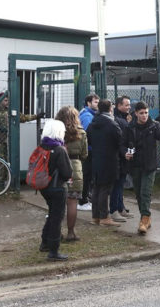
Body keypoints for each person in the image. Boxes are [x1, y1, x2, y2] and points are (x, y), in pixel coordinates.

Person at [125, 101, 160, 234]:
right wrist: (125, 152)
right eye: (141, 113)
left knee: (145, 192)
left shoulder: (154, 126)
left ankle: (144, 219)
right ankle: (145, 217)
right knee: (139, 193)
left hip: (150, 165)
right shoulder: (130, 127)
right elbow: (122, 143)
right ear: (136, 114)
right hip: (135, 165)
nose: (144, 115)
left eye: (146, 112)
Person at [37, 119, 72, 261]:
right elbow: (67, 173)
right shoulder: (59, 150)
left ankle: (45, 242)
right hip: (58, 188)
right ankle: (53, 251)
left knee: (51, 214)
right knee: (57, 218)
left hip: (44, 187)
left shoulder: (42, 147)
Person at [87, 99, 123, 227]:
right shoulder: (112, 124)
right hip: (109, 160)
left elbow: (88, 140)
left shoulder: (92, 124)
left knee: (97, 188)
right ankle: (104, 217)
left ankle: (95, 216)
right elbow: (120, 141)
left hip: (96, 159)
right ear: (110, 109)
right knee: (105, 189)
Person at [55, 106, 87, 242]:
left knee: (57, 203)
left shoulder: (56, 131)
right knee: (72, 202)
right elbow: (85, 154)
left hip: (58, 168)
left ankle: (56, 232)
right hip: (75, 167)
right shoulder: (82, 133)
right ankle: (71, 232)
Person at [0, 92, 39, 161]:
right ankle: (0, 172)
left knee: (8, 159)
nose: (7, 102)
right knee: (0, 159)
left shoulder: (9, 110)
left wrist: (36, 116)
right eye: (5, 100)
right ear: (0, 100)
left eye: (8, 100)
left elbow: (22, 117)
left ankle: (7, 172)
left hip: (8, 139)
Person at [110, 95, 134, 222]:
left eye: (129, 105)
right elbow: (121, 139)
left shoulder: (125, 119)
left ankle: (121, 208)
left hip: (123, 157)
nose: (129, 107)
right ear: (119, 106)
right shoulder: (119, 120)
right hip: (119, 157)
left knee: (121, 184)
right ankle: (114, 210)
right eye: (126, 105)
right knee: (117, 185)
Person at [78, 93, 99, 211]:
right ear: (88, 103)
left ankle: (85, 197)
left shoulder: (91, 114)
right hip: (89, 150)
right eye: (95, 102)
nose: (97, 104)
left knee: (88, 175)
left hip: (90, 149)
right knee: (87, 175)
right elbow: (87, 134)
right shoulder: (86, 116)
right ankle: (83, 201)